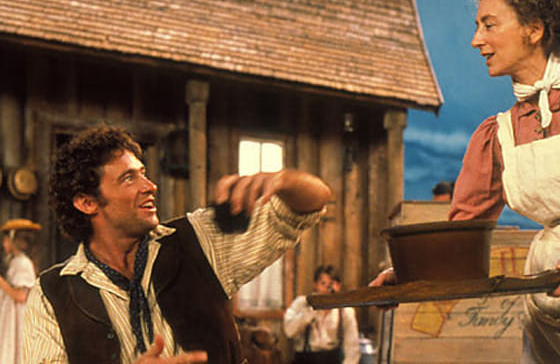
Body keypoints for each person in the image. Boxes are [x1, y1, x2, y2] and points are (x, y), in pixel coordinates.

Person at [22, 126, 331, 364]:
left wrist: (283, 181)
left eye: (143, 173)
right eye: (129, 178)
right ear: (87, 202)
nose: (150, 186)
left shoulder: (199, 239)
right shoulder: (50, 295)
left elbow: (309, 206)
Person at [448, 0, 560, 362]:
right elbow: (461, 237)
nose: (476, 40)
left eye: (489, 25)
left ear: (533, 30)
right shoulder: (497, 136)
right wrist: (409, 273)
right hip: (546, 312)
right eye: (477, 26)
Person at [283, 265, 360, 364]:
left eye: (331, 284)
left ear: (338, 286)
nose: (327, 289)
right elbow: (289, 331)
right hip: (305, 359)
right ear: (315, 285)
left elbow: (352, 348)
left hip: (332, 359)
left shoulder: (345, 311)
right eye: (323, 283)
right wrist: (310, 312)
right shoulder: (302, 303)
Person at [0, 219, 38, 364]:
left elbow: (21, 295)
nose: (3, 244)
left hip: (18, 316)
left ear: (13, 240)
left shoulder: (22, 262)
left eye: (5, 240)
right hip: (11, 315)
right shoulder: (15, 261)